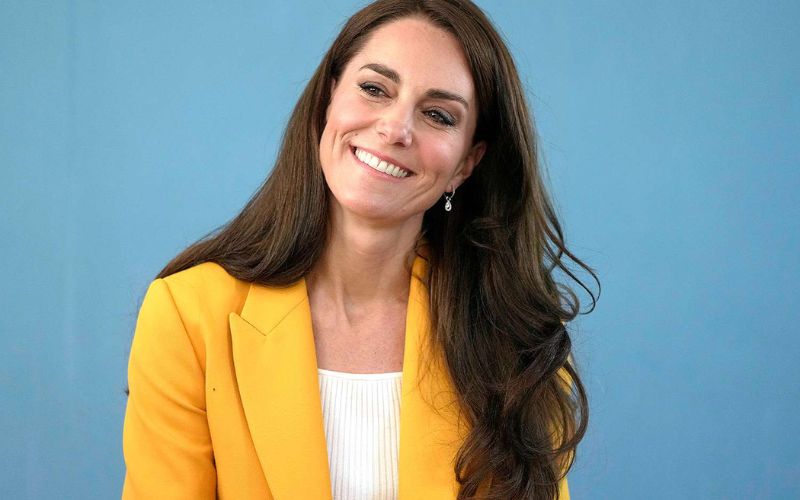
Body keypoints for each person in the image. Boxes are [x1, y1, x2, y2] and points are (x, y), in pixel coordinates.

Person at [121, 0, 599, 499]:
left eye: (438, 115)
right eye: (374, 89)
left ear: (466, 163)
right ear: (329, 99)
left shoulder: (516, 339)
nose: (395, 129)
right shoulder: (187, 315)